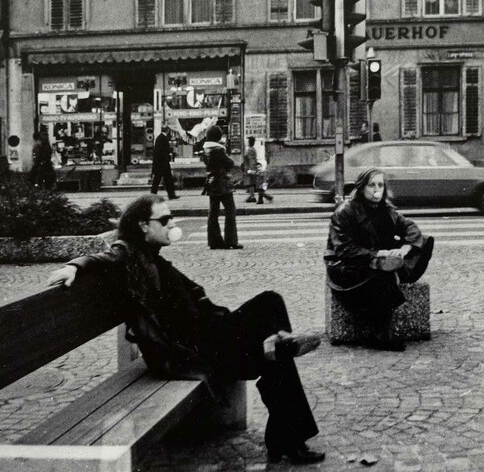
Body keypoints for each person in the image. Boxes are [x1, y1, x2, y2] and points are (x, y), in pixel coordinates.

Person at [45, 195, 325, 464]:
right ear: (144, 226)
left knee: (271, 305)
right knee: (276, 351)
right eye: (164, 219)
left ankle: (277, 347)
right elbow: (105, 257)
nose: (172, 224)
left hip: (209, 333)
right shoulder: (129, 253)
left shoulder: (152, 256)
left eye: (172, 218)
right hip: (188, 351)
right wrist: (73, 267)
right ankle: (285, 424)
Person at [324, 168, 434, 351]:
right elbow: (344, 249)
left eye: (380, 185)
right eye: (372, 185)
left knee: (425, 240)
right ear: (362, 188)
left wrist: (405, 248)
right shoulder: (345, 211)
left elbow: (410, 227)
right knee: (382, 275)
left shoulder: (386, 209)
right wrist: (377, 254)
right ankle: (379, 335)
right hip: (347, 265)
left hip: (377, 258)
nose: (376, 189)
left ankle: (398, 270)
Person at [202, 125, 242, 249]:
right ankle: (231, 241)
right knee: (230, 210)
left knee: (213, 213)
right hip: (223, 183)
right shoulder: (219, 149)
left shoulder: (205, 149)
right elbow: (230, 163)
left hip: (211, 183)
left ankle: (214, 241)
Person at [151, 126, 179, 200]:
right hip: (163, 164)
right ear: (167, 131)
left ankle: (154, 195)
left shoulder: (160, 137)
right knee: (166, 180)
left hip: (160, 163)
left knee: (160, 180)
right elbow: (162, 152)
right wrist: (167, 159)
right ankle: (171, 195)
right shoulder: (163, 138)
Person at [242, 136, 259, 203]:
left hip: (250, 168)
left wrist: (250, 169)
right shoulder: (253, 149)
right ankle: (251, 196)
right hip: (251, 167)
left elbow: (251, 160)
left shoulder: (250, 150)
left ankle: (252, 197)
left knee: (250, 183)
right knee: (250, 182)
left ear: (249, 142)